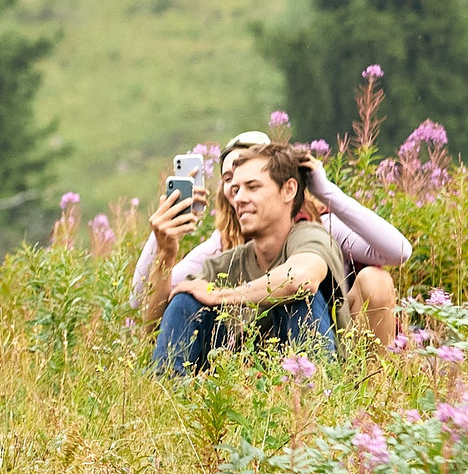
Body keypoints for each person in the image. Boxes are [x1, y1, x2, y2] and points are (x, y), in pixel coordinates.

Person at [131, 130, 409, 348]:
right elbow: (140, 300)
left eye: (252, 182)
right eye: (230, 179)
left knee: (375, 280)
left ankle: (373, 392)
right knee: (185, 302)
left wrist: (325, 192)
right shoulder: (221, 245)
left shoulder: (320, 226)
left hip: (333, 332)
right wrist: (161, 238)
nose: (238, 191)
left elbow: (398, 251)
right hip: (255, 352)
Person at [137, 141, 343, 375]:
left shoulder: (310, 236)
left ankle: (310, 395)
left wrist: (222, 295)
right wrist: (166, 253)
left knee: (300, 298)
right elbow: (154, 331)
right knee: (186, 300)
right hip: (241, 389)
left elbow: (301, 279)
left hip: (304, 386)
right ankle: (170, 398)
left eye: (252, 187)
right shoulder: (225, 264)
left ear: (289, 190)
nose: (239, 199)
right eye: (235, 190)